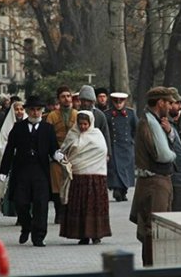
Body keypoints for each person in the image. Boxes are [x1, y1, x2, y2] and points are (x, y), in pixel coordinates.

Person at [0, 96, 60, 247]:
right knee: (21, 202)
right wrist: (3, 171)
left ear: (42, 111)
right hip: (22, 171)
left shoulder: (47, 129)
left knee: (41, 204)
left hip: (40, 171)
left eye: (38, 110)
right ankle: (26, 226)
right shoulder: (18, 128)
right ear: (27, 111)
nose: (35, 112)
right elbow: (9, 150)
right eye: (32, 109)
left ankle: (38, 236)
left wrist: (60, 157)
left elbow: (54, 149)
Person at [129, 86, 176, 267]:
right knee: (153, 230)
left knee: (156, 229)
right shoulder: (148, 123)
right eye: (168, 102)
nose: (170, 106)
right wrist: (173, 156)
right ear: (160, 102)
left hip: (158, 181)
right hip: (153, 182)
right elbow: (162, 154)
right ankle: (152, 269)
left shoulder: (156, 121)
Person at [57, 111, 112, 245]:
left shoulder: (97, 134)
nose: (83, 127)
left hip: (96, 176)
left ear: (90, 123)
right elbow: (63, 151)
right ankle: (82, 235)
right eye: (80, 124)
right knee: (80, 206)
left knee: (95, 206)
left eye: (85, 124)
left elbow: (103, 151)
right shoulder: (72, 134)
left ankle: (97, 234)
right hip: (78, 176)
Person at [46, 86, 78, 224]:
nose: (66, 99)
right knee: (57, 186)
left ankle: (70, 213)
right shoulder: (52, 116)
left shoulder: (77, 114)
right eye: (63, 96)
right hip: (56, 154)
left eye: (68, 96)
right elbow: (47, 135)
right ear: (58, 99)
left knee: (72, 185)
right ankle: (59, 213)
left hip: (73, 154)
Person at [105, 92, 137, 202]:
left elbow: (135, 129)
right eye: (116, 101)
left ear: (125, 101)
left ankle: (124, 190)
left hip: (127, 146)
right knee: (115, 169)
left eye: (121, 101)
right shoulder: (108, 114)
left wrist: (132, 140)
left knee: (126, 170)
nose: (118, 104)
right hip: (114, 146)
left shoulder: (131, 113)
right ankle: (117, 190)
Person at [0, 99, 27, 218]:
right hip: (13, 164)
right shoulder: (7, 126)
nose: (19, 112)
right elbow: (2, 143)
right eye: (16, 109)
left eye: (21, 109)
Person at [167, 87, 181, 211]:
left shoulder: (177, 125)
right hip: (173, 178)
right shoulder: (164, 124)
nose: (180, 106)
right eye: (176, 103)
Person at [78, 85, 112, 154]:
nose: (85, 103)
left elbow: (105, 134)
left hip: (96, 150)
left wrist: (108, 153)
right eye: (83, 100)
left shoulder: (99, 115)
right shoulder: (76, 114)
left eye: (88, 100)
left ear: (92, 101)